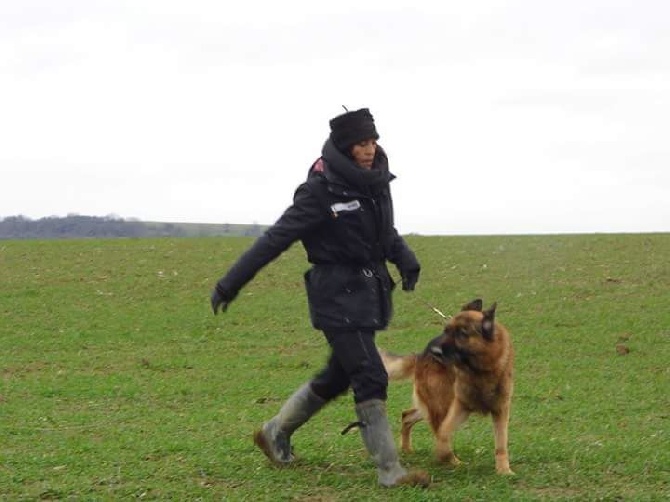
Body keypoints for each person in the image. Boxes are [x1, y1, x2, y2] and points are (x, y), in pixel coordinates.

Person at [210, 108, 429, 488]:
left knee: (338, 374)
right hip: (335, 296)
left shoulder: (375, 182)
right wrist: (231, 282)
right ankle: (390, 471)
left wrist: (406, 260)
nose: (370, 149)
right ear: (346, 146)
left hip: (368, 291)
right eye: (362, 143)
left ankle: (274, 432)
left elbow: (384, 231)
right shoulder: (319, 191)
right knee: (369, 373)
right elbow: (275, 239)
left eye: (373, 141)